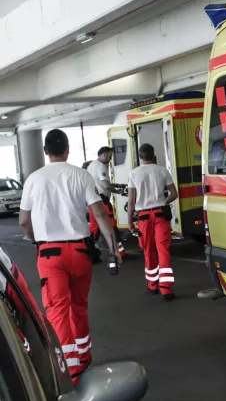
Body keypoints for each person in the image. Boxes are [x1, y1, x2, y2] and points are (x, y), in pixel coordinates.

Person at [19, 129, 120, 384]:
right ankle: (84, 359)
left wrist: (35, 238)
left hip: (50, 255)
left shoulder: (33, 179)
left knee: (57, 311)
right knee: (79, 308)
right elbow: (99, 214)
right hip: (79, 252)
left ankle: (68, 370)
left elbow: (23, 221)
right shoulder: (81, 175)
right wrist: (113, 246)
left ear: (44, 151)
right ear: (68, 149)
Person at [128, 143, 178, 300]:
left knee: (148, 251)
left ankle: (152, 285)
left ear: (140, 156)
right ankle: (166, 289)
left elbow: (131, 201)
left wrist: (130, 222)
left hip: (143, 217)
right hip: (160, 215)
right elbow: (174, 193)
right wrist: (164, 201)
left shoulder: (134, 174)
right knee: (163, 249)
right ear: (153, 155)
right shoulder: (162, 170)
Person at [87, 146, 126, 260]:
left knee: (95, 229)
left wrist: (117, 185)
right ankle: (118, 252)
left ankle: (91, 253)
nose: (110, 158)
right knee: (111, 225)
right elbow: (105, 185)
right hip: (102, 200)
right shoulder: (100, 166)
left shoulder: (92, 165)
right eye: (109, 156)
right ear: (104, 155)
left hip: (93, 200)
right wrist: (118, 191)